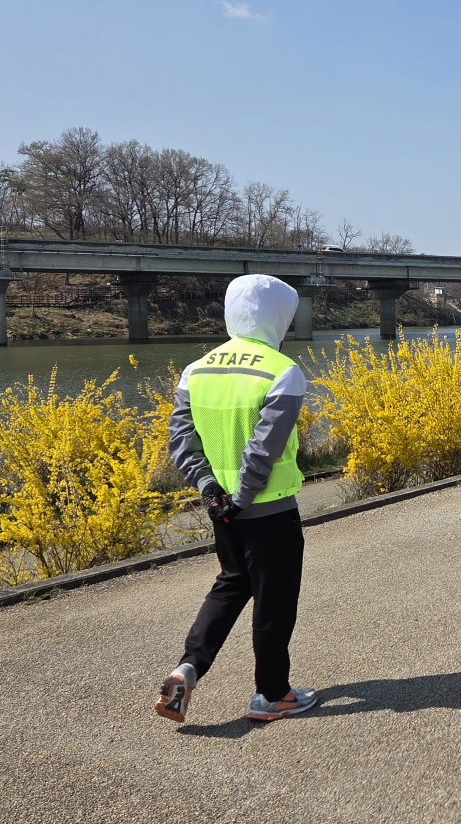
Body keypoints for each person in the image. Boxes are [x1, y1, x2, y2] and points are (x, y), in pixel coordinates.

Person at [157, 274, 316, 724]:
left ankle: (187, 668)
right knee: (274, 600)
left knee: (231, 583)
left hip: (219, 509)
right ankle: (272, 695)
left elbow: (181, 441)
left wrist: (211, 491)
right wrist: (243, 496)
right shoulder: (282, 370)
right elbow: (264, 447)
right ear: (277, 316)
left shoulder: (196, 369)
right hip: (269, 509)